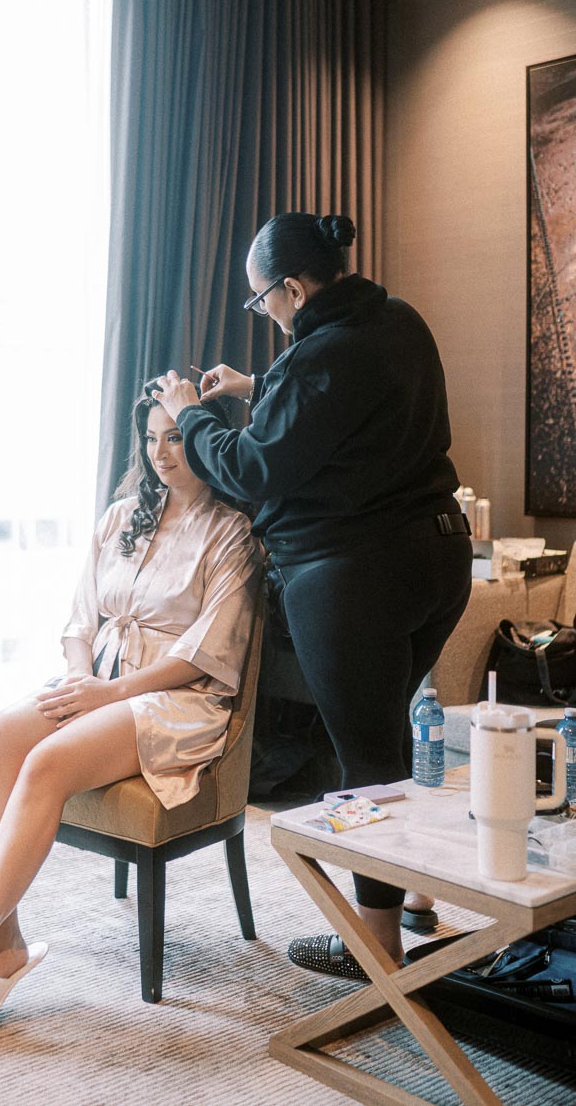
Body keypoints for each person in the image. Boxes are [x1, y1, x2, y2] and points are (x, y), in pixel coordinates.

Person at [0, 386, 261, 1050]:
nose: (163, 452)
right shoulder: (121, 518)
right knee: (2, 734)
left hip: (175, 699)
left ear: (205, 436)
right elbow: (80, 620)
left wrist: (111, 693)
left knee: (46, 763)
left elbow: (205, 655)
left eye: (177, 436)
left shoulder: (231, 533)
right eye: (153, 438)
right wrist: (84, 679)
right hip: (102, 682)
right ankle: (4, 941)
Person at [153, 212, 472, 981]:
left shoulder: (320, 357)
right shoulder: (397, 321)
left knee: (363, 756)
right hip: (441, 557)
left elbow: (254, 472)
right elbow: (346, 407)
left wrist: (190, 414)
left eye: (262, 300)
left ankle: (376, 947)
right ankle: (415, 901)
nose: (263, 314)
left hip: (356, 577)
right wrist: (258, 387)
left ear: (292, 288)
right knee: (389, 738)